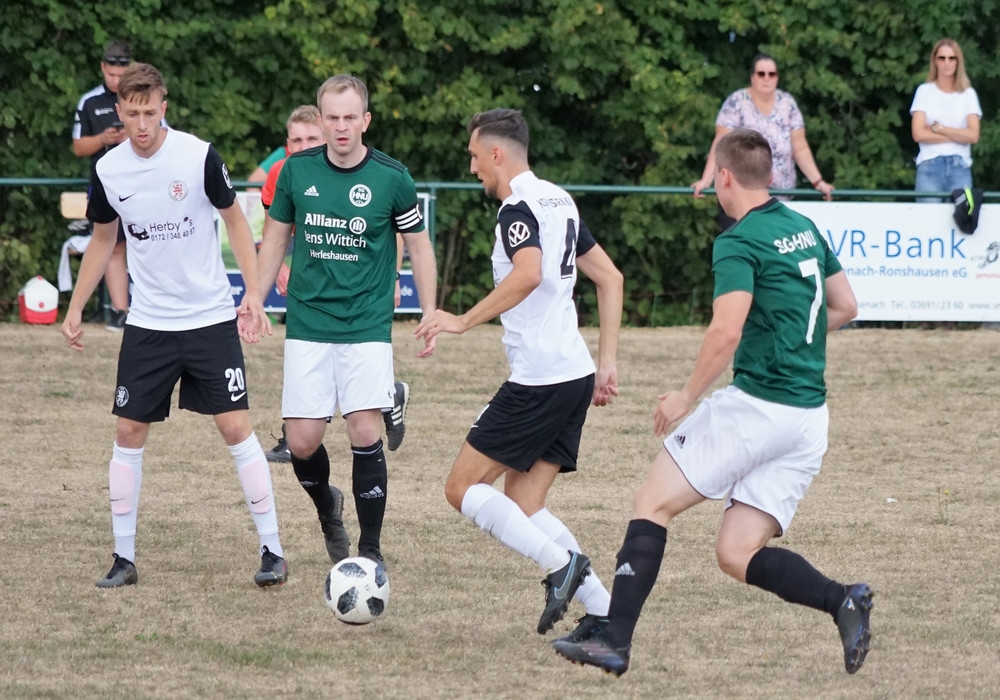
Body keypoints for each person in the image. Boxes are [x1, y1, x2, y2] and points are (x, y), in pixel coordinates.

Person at [552, 129, 872, 677]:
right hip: (807, 420)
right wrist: (788, 340)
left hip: (757, 410)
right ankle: (842, 600)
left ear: (723, 177)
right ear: (768, 175)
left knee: (652, 502)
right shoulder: (803, 226)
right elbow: (845, 305)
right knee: (736, 552)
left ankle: (614, 640)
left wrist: (685, 396)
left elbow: (725, 331)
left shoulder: (738, 241)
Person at [60, 63, 287, 589]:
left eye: (150, 112)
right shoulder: (109, 170)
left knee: (236, 428)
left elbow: (235, 220)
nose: (141, 124)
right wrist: (75, 307)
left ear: (164, 108)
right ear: (119, 112)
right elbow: (103, 239)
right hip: (149, 324)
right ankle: (123, 558)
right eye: (132, 113)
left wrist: (252, 294)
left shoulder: (197, 155)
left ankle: (273, 549)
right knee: (128, 431)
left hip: (209, 319)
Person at [414, 108, 624, 637]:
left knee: (461, 488)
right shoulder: (559, 199)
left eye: (474, 156)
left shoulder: (516, 207)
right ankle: (604, 613)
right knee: (525, 504)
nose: (472, 168)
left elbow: (528, 273)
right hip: (573, 373)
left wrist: (462, 320)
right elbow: (611, 278)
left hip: (540, 379)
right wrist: (606, 363)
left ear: (497, 153)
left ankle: (561, 566)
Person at [257, 74, 438, 567]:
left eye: (350, 117)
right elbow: (276, 238)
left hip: (365, 323)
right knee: (301, 442)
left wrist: (429, 309)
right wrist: (254, 296)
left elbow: (419, 246)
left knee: (363, 428)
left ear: (365, 120)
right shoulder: (296, 172)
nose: (341, 127)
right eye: (332, 118)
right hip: (308, 322)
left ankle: (370, 551)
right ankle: (327, 507)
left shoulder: (392, 177)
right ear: (321, 121)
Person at [257, 106, 411, 462]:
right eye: (296, 140)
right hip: (311, 285)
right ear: (287, 145)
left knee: (354, 374)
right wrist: (279, 267)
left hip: (360, 289)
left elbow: (394, 230)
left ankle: (386, 394)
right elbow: (274, 230)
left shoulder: (365, 171)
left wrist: (393, 277)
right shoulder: (284, 173)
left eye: (311, 138)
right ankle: (297, 437)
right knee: (309, 367)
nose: (303, 146)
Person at [692, 53, 834, 227]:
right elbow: (720, 144)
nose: (766, 78)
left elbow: (800, 148)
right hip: (741, 196)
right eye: (761, 74)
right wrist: (706, 180)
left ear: (777, 78)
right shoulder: (736, 102)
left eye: (771, 74)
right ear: (752, 77)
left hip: (780, 199)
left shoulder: (788, 104)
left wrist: (818, 182)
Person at [72, 40, 136, 330]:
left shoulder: (140, 98)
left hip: (141, 182)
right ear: (102, 68)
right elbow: (78, 146)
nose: (116, 81)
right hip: (106, 185)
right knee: (113, 246)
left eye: (121, 75)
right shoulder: (89, 102)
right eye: (111, 75)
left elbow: (163, 135)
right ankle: (122, 312)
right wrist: (103, 139)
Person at [910, 38, 981, 202]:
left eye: (951, 58)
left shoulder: (968, 94)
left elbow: (973, 136)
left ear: (958, 61)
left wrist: (939, 128)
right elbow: (918, 134)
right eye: (942, 58)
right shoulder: (924, 91)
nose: (946, 63)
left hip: (960, 166)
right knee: (928, 217)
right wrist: (959, 135)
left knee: (962, 216)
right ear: (935, 61)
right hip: (929, 164)